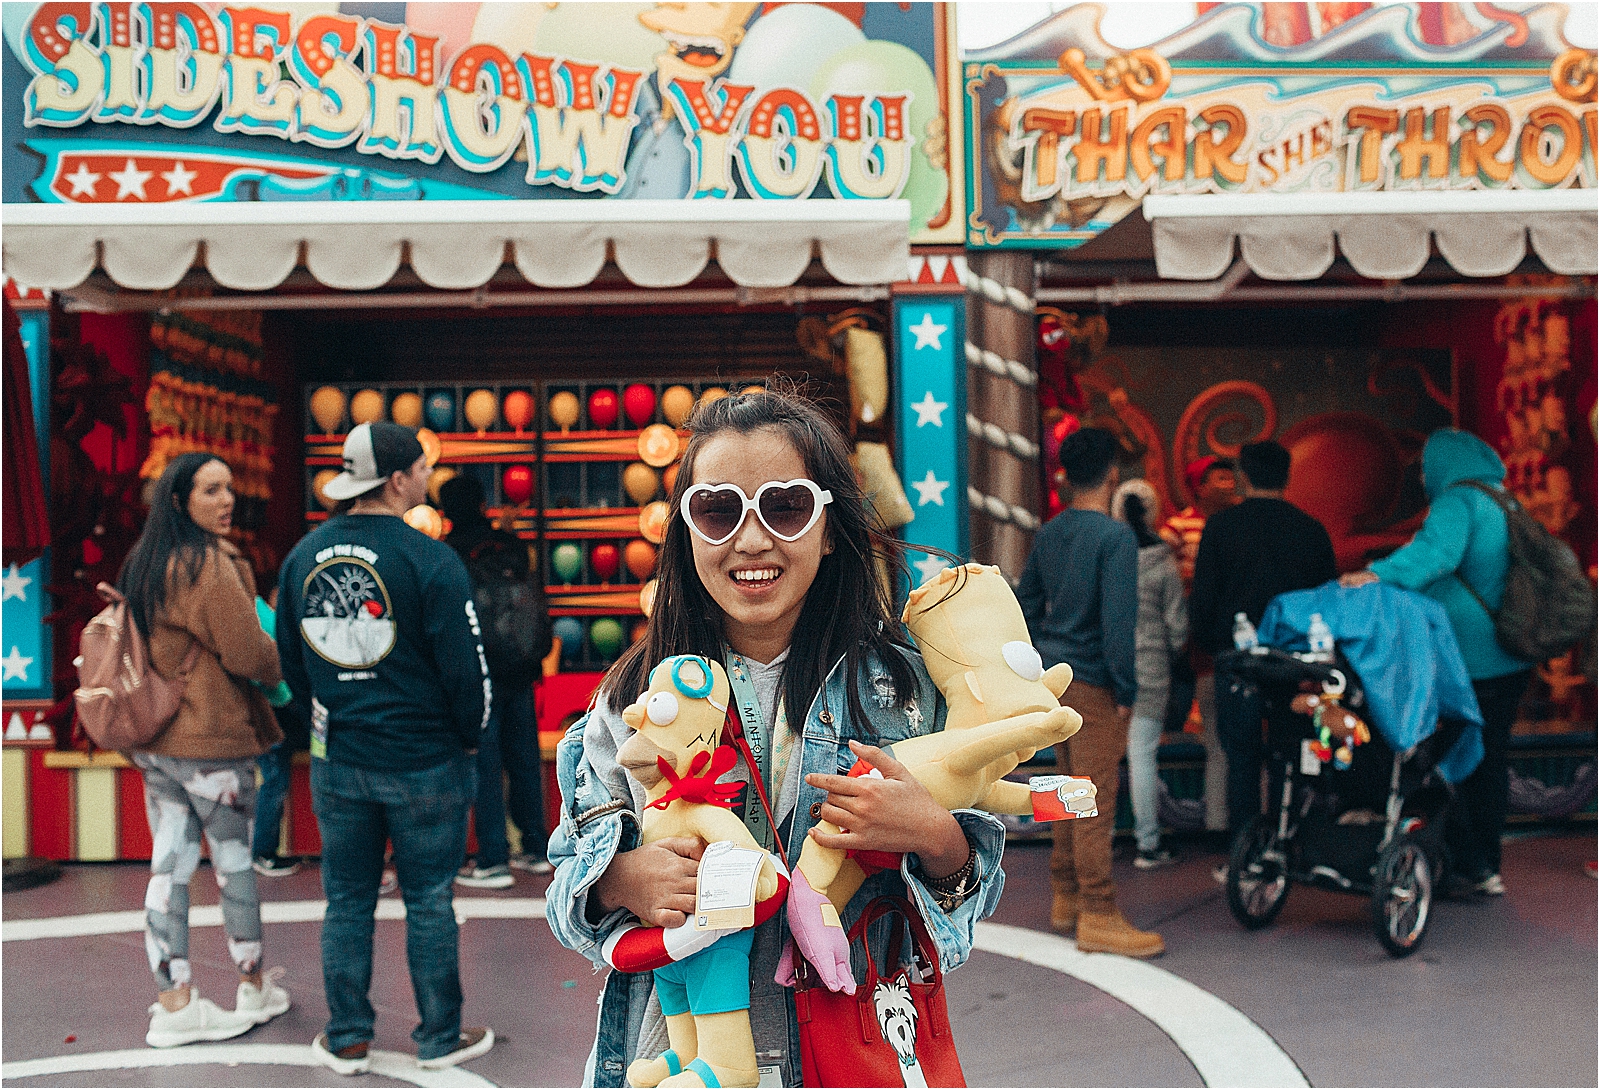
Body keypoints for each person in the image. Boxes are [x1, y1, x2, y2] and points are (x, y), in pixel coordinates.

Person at [545, 388, 1005, 1087]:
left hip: (857, 1052)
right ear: (686, 531)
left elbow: (963, 907)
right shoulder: (630, 702)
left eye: (785, 506)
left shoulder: (906, 695)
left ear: (827, 526)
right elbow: (565, 894)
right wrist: (618, 881)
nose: (752, 539)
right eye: (718, 510)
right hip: (678, 1061)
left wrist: (936, 837)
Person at [277, 422, 495, 1074]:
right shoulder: (430, 559)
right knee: (429, 898)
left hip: (338, 757)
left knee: (347, 897)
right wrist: (468, 738)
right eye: (423, 468)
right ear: (398, 478)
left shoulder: (300, 557)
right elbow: (467, 671)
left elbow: (288, 666)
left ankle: (347, 1034)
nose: (427, 478)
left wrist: (318, 724)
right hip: (425, 759)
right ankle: (437, 1036)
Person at [116, 452, 292, 1047]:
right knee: (234, 867)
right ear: (179, 499)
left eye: (229, 489)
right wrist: (279, 661)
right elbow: (249, 653)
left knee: (168, 869)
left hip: (159, 744)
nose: (226, 501)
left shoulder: (145, 562)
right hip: (213, 744)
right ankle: (252, 984)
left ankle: (174, 1002)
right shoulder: (210, 565)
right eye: (211, 490)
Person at [1341, 429, 1534, 896]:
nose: (1425, 476)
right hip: (1513, 656)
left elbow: (1436, 555)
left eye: (1428, 466)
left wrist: (1376, 574)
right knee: (1488, 760)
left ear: (1446, 463)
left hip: (1470, 661)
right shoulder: (1505, 501)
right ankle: (1485, 865)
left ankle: (1461, 862)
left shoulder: (1459, 501)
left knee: (1446, 760)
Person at [1018, 428, 1161, 958]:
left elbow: (1025, 603)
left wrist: (1038, 661)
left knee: (1066, 792)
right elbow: (1118, 623)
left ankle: (1067, 898)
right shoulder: (1116, 537)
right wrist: (1127, 687)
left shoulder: (1051, 533)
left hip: (1054, 681)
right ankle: (1099, 913)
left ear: (1065, 478)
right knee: (1094, 798)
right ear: (1112, 476)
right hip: (1098, 681)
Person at [1191, 440, 1337, 852]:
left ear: (1244, 476)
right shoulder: (1310, 530)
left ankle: (1245, 851)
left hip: (1237, 662)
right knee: (1288, 756)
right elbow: (1326, 601)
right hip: (1296, 666)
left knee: (1242, 759)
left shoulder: (1221, 528)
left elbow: (1203, 599)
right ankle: (1285, 845)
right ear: (1287, 477)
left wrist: (1209, 645)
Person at [438, 473, 553, 887]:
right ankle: (536, 846)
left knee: (485, 763)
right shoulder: (511, 545)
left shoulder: (449, 553)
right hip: (521, 666)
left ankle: (493, 857)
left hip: (479, 671)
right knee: (523, 757)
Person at [1113, 479, 1187, 870]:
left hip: (1109, 668)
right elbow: (1177, 627)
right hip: (1153, 668)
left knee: (1105, 757)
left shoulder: (1107, 555)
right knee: (1143, 755)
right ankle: (1148, 845)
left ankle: (1100, 839)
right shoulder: (1163, 561)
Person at [1161, 456, 1238, 837]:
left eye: (1230, 477)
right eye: (1219, 478)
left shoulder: (1239, 524)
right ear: (1199, 486)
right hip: (1187, 626)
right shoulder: (1177, 528)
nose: (1228, 483)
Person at [252, 589, 309, 878]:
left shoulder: (255, 614)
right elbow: (274, 674)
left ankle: (263, 851)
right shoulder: (266, 619)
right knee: (274, 782)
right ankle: (263, 852)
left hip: (266, 716)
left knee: (272, 780)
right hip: (273, 716)